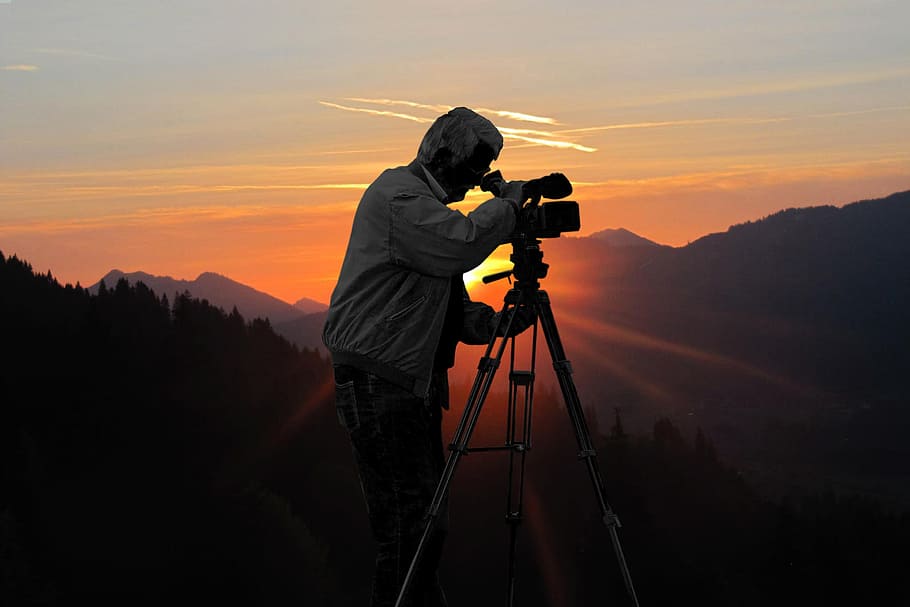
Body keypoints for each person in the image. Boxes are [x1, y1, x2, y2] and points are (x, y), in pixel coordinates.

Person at [322, 107, 533, 606]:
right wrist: (510, 207)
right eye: (474, 166)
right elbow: (459, 245)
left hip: (402, 385)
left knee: (423, 526)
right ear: (443, 154)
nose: (476, 180)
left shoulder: (421, 211)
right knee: (408, 527)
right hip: (380, 384)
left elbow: (449, 309)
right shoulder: (399, 197)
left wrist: (496, 323)